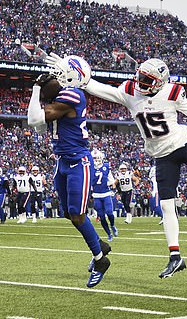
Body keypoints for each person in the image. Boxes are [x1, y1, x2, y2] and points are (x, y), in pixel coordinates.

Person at [53, 55, 187, 278]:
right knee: (167, 207)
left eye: (147, 79)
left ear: (160, 82)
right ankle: (176, 257)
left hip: (183, 145)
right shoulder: (130, 91)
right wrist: (77, 73)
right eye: (141, 77)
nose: (141, 82)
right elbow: (98, 88)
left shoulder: (172, 92)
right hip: (162, 155)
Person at [27, 56, 111, 288]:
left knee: (77, 213)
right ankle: (99, 244)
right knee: (68, 213)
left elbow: (34, 119)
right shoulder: (64, 93)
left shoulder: (73, 95)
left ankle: (100, 259)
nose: (52, 77)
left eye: (57, 73)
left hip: (78, 162)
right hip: (63, 162)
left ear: (69, 78)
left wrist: (35, 87)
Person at [90, 149, 118, 241]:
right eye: (94, 158)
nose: (96, 160)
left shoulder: (106, 167)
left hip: (105, 193)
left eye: (97, 158)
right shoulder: (90, 168)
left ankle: (113, 225)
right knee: (101, 217)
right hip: (96, 195)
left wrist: (108, 184)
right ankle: (109, 234)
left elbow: (112, 180)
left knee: (110, 212)